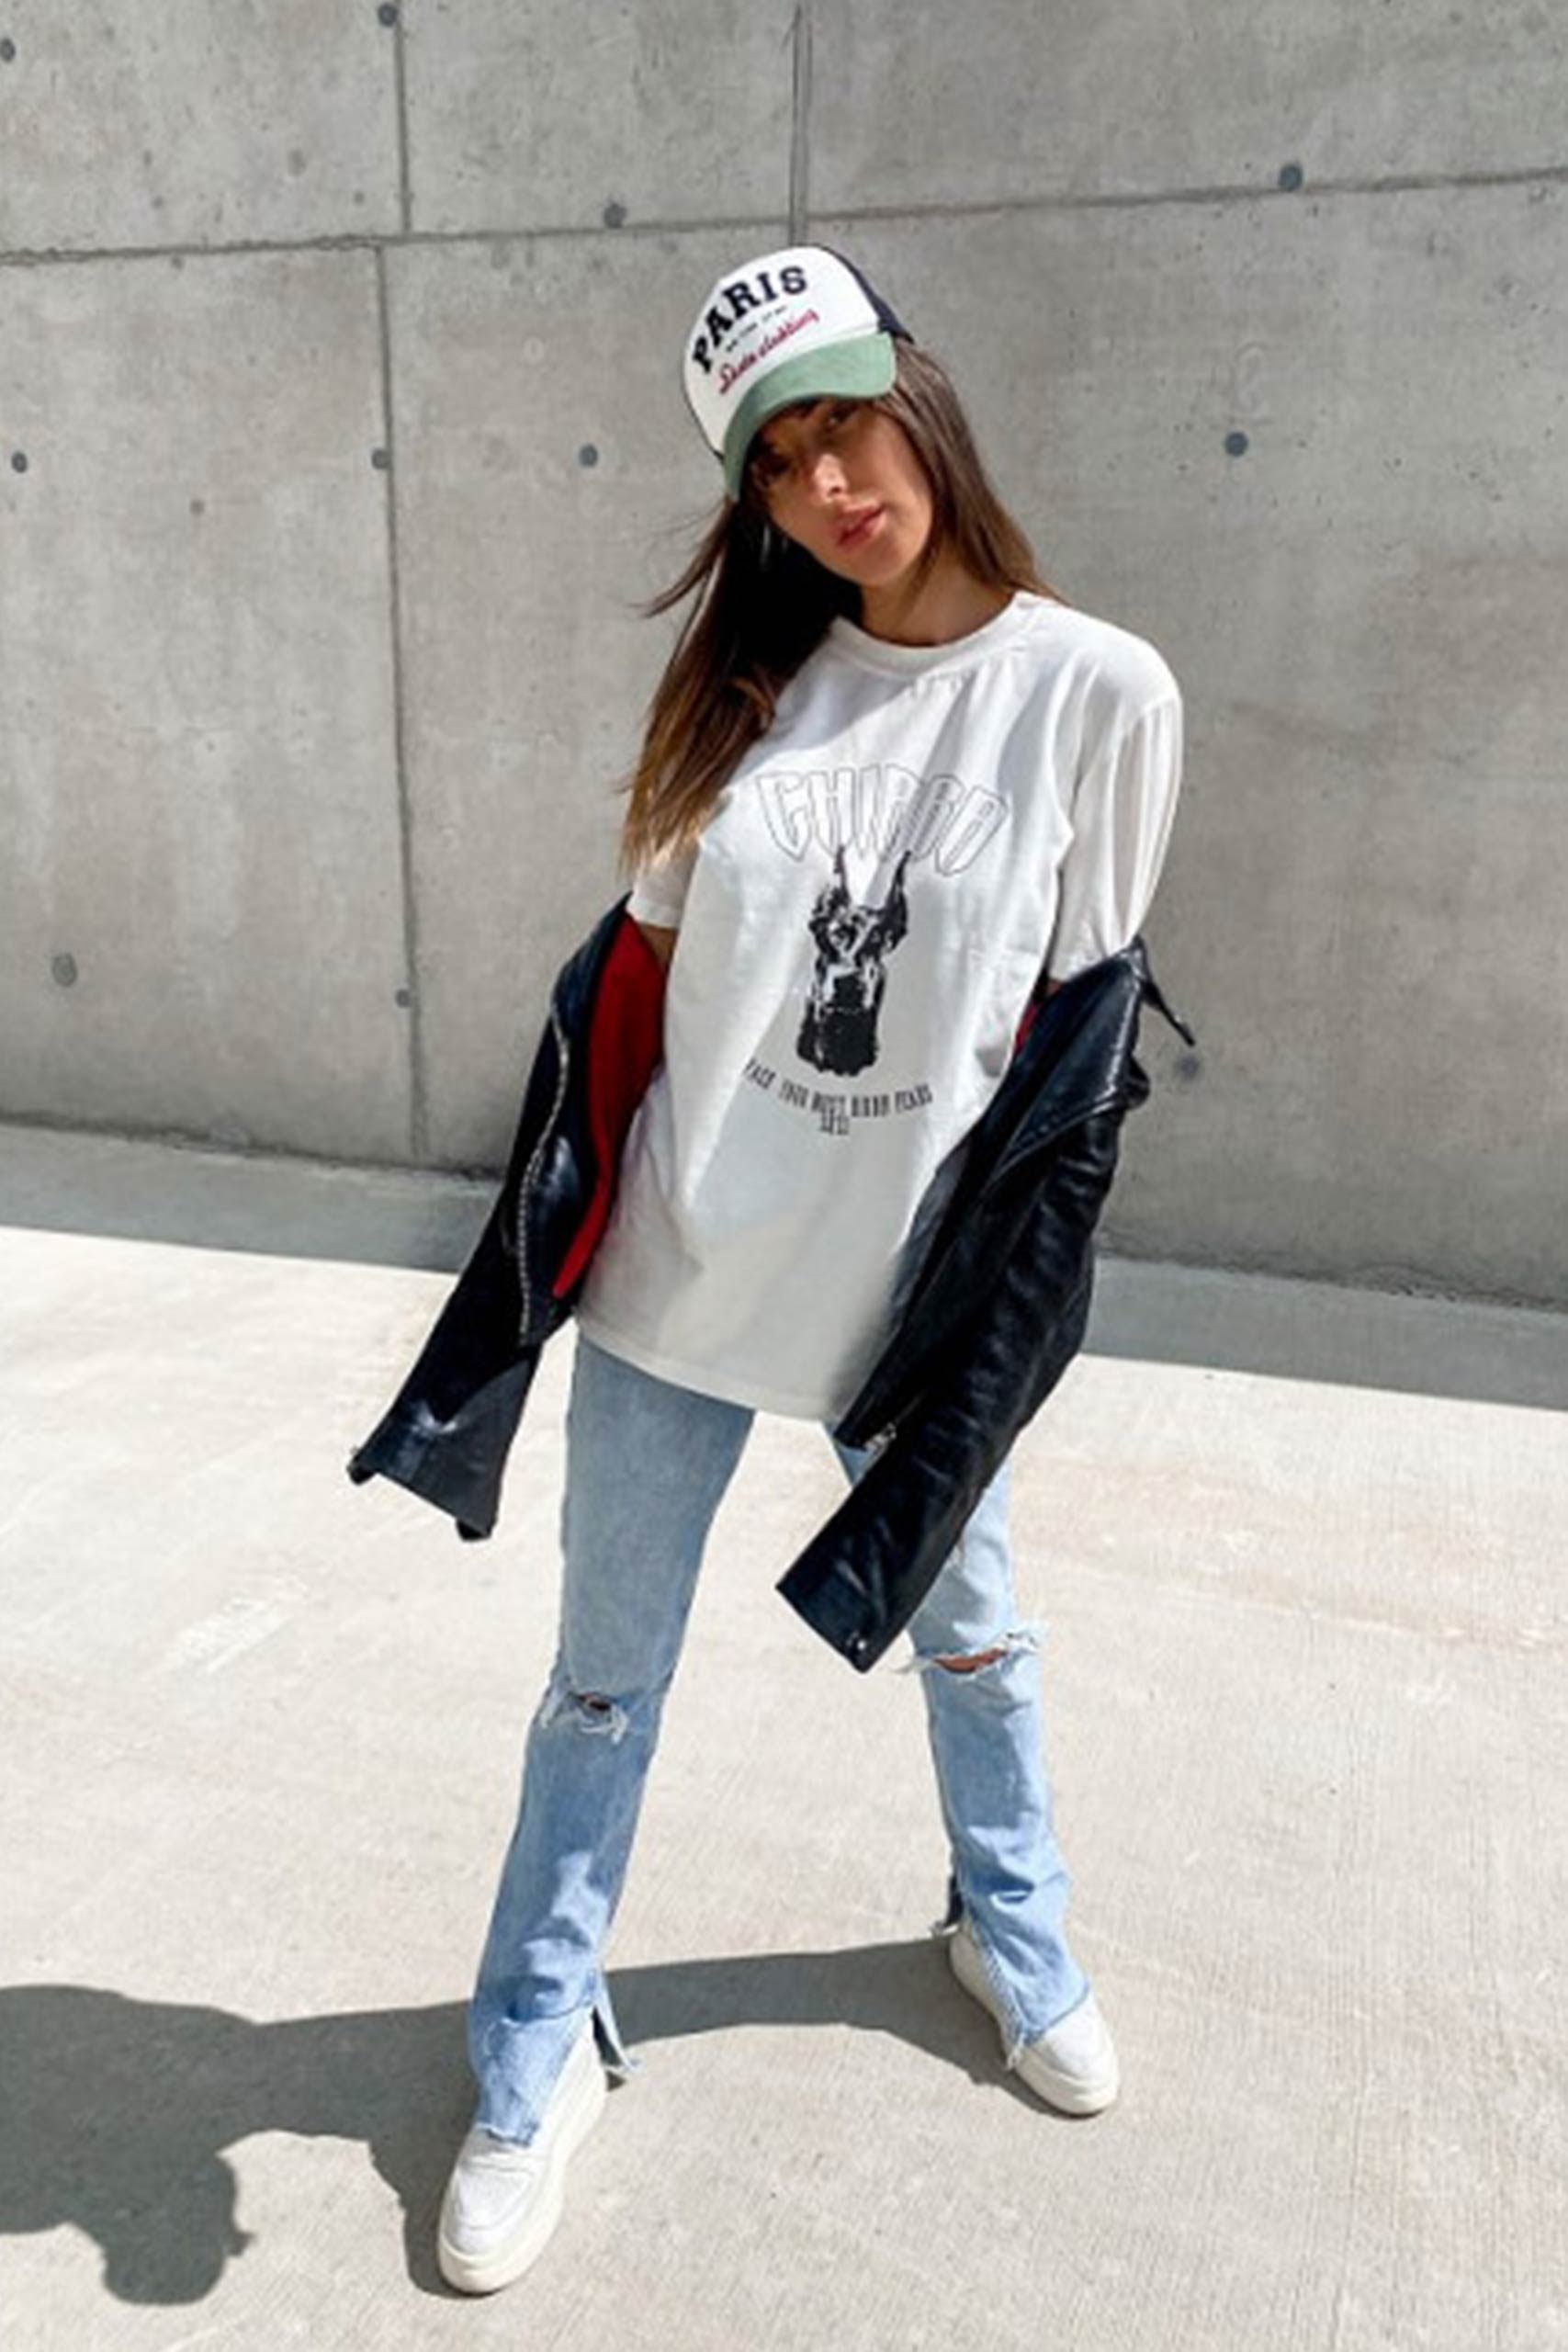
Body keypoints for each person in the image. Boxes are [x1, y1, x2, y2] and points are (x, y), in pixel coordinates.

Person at [434, 243, 1184, 2297]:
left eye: (845, 425)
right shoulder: (744, 691)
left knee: (980, 1640)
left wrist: (1002, 1326)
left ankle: (1009, 1928)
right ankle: (534, 2037)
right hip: (680, 1276)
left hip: (905, 1305)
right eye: (777, 464)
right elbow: (640, 996)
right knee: (601, 1686)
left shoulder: (1097, 692)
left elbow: (1071, 1055)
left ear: (918, 403)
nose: (828, 484)